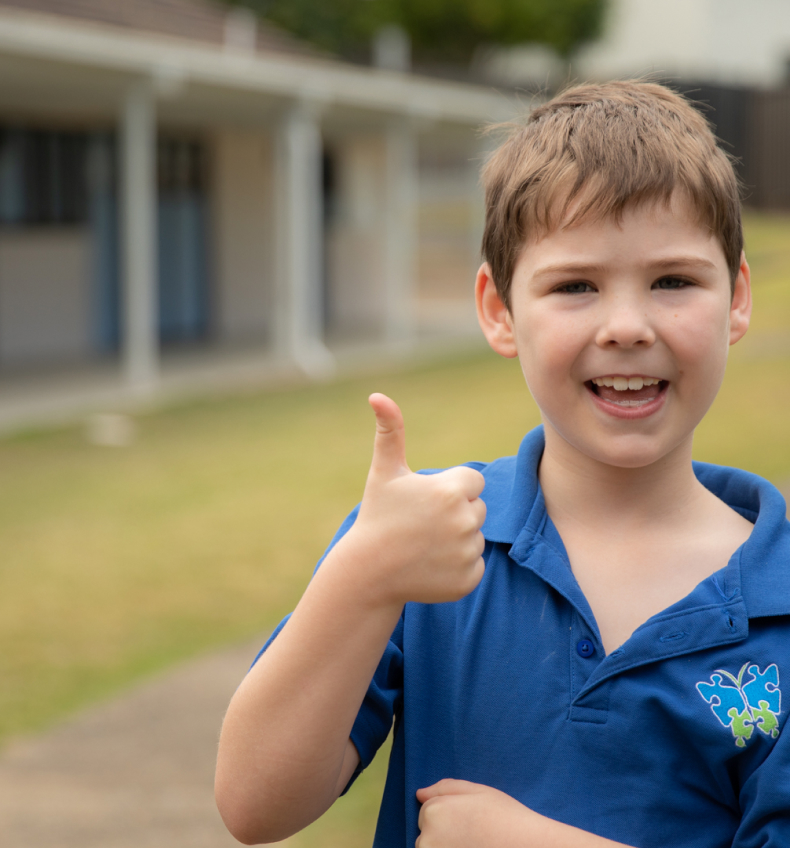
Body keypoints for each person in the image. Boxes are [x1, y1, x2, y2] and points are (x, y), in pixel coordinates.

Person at [215, 81, 790, 847]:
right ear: (498, 310)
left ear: (738, 298)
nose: (626, 326)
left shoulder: (778, 596)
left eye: (673, 281)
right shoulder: (426, 541)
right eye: (575, 285)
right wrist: (364, 575)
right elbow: (255, 806)